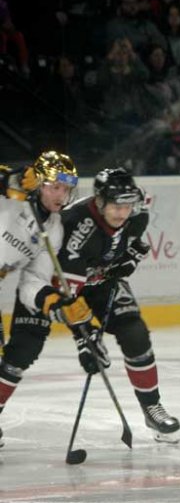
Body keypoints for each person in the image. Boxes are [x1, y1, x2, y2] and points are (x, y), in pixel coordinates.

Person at [52, 168, 180, 441]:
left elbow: (128, 241)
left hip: (104, 282)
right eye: (115, 206)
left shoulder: (137, 214)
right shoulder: (75, 225)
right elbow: (63, 292)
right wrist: (83, 335)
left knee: (135, 333)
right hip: (71, 287)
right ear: (99, 201)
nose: (122, 213)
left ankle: (151, 408)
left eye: (127, 205)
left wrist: (128, 257)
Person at [0, 151, 88, 448]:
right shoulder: (13, 195)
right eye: (55, 187)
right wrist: (10, 176)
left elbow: (32, 282)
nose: (61, 196)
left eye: (66, 189)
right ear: (38, 183)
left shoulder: (54, 228)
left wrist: (51, 301)